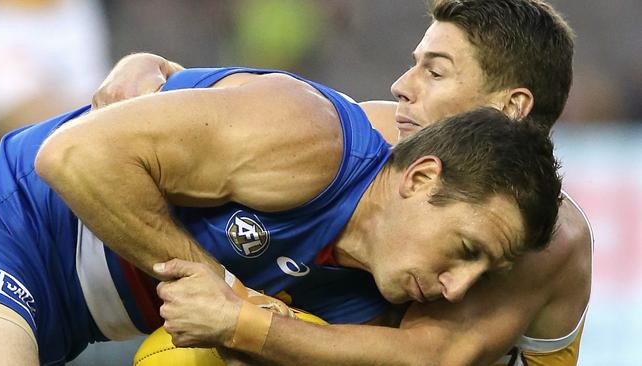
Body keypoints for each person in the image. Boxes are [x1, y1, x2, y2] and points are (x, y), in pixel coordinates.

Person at [95, 0, 592, 365]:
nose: (402, 85)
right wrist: (155, 74)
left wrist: (239, 318)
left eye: (436, 73)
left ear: (512, 107)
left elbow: (430, 357)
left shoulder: (538, 233)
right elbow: (248, 111)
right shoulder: (395, 139)